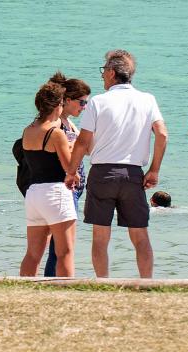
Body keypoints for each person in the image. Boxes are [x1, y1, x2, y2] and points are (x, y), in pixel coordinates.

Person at [69, 50, 167, 279]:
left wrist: (71, 172)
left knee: (100, 238)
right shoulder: (147, 99)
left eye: (104, 71)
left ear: (112, 73)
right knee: (140, 236)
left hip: (102, 174)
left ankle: (103, 282)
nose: (103, 75)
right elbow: (162, 134)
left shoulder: (98, 102)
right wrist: (154, 169)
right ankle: (146, 284)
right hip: (133, 173)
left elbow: (83, 142)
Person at [19, 82, 80, 277]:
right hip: (55, 192)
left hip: (34, 193)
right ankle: (65, 291)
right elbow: (70, 168)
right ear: (57, 106)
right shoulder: (56, 134)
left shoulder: (28, 131)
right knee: (65, 252)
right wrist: (74, 148)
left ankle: (23, 290)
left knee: (33, 253)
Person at [44, 72, 92, 277]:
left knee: (62, 242)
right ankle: (53, 282)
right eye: (82, 103)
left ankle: (53, 281)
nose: (84, 107)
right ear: (68, 100)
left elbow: (87, 149)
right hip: (65, 185)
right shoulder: (57, 124)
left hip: (74, 187)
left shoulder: (70, 123)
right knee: (61, 243)